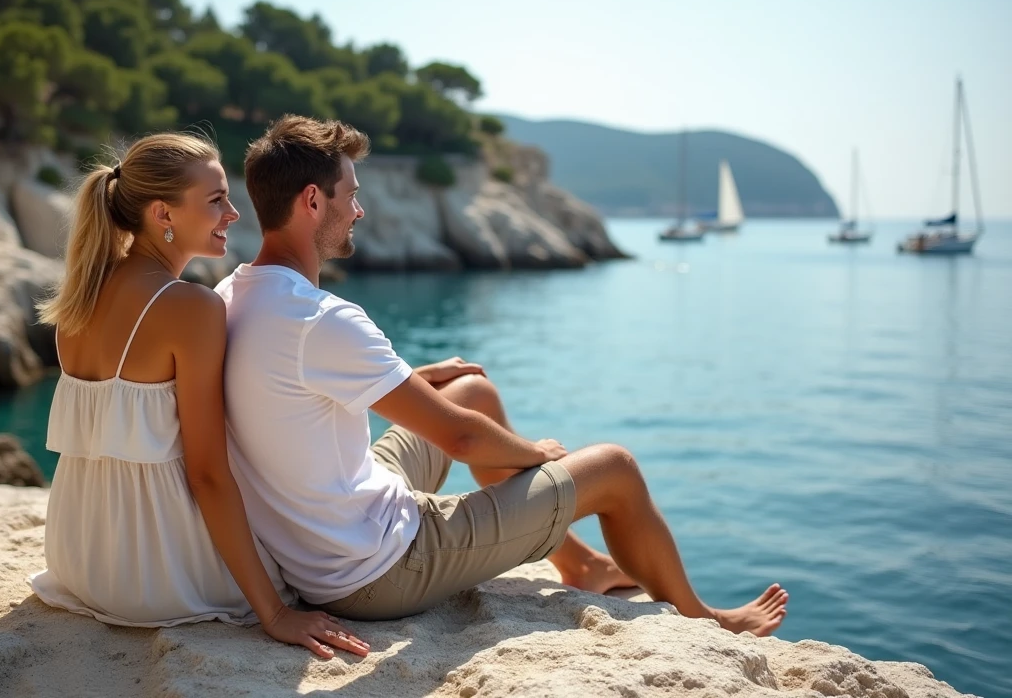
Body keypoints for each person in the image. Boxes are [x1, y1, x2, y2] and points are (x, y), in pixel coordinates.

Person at [216, 116, 789, 635]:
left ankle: (582, 564)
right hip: (375, 570)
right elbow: (460, 440)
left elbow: (288, 391)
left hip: (324, 534)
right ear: (313, 201)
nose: (359, 211)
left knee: (471, 391)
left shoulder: (232, 296)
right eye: (352, 196)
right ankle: (708, 620)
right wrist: (536, 454)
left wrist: (407, 376)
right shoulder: (324, 320)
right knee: (614, 468)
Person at [28, 131, 369, 659]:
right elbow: (207, 474)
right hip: (154, 576)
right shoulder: (191, 308)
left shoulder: (80, 296)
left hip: (79, 558)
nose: (233, 214)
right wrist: (274, 613)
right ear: (163, 214)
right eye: (216, 201)